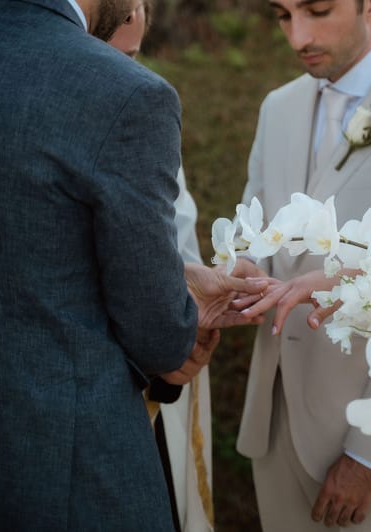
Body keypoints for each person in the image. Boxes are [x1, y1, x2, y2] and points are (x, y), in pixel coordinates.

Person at [0, 1, 265, 530]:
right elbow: (159, 336)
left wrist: (179, 278)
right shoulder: (124, 93)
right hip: (67, 484)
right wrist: (181, 312)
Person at [232, 0, 371, 529]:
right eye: (283, 16)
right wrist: (231, 276)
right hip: (273, 422)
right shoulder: (276, 107)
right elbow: (253, 235)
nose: (297, 37)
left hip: (366, 439)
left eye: (318, 11)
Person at [108, 4, 215, 531]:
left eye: (131, 56)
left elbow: (174, 225)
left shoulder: (142, 105)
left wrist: (187, 284)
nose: (120, 72)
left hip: (158, 374)